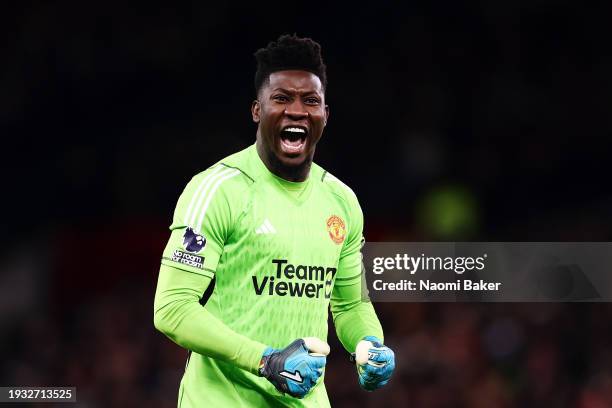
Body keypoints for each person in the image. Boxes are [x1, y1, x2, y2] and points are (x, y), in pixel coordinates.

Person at [154, 34, 395, 407]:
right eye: (281, 98)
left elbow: (350, 306)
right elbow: (172, 309)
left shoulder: (342, 202)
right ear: (257, 110)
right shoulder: (218, 190)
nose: (297, 111)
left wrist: (369, 343)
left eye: (310, 101)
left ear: (324, 115)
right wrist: (266, 359)